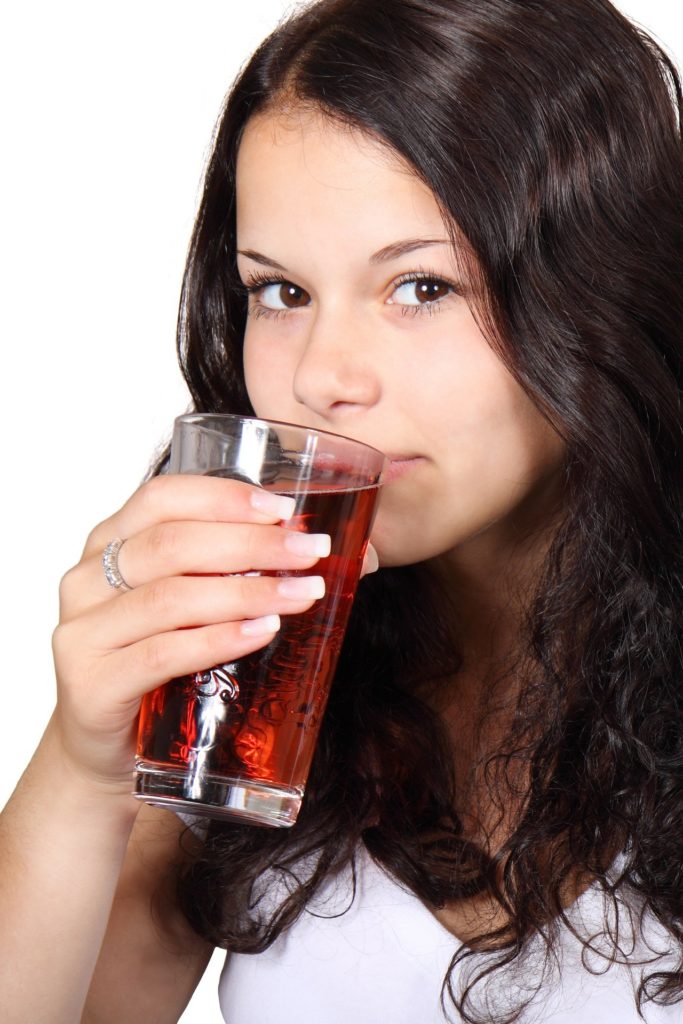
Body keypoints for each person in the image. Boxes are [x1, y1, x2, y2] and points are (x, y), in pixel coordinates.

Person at [2, 0, 682, 1020]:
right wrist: (83, 763)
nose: (321, 377)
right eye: (279, 292)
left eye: (419, 286)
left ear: (597, 285)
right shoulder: (255, 653)